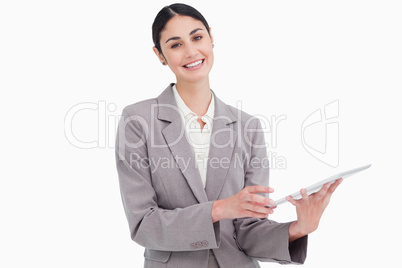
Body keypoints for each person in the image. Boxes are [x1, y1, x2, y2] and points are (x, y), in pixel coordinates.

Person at [115, 3, 342, 268]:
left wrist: (299, 227)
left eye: (197, 37)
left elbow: (248, 232)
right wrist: (218, 209)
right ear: (160, 55)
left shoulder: (248, 127)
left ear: (211, 38)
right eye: (175, 45)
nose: (191, 52)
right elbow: (144, 224)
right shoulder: (138, 120)